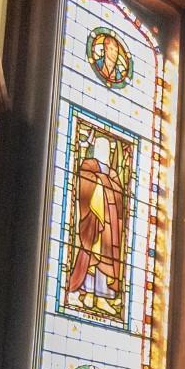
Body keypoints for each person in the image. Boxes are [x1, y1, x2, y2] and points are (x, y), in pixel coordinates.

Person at [63, 134, 129, 317]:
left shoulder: (113, 174)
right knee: (91, 254)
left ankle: (102, 296)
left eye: (107, 149)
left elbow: (118, 195)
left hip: (109, 224)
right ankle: (86, 292)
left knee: (106, 258)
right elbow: (85, 184)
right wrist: (101, 182)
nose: (105, 152)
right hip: (94, 221)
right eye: (101, 148)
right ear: (96, 150)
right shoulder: (89, 166)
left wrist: (107, 182)